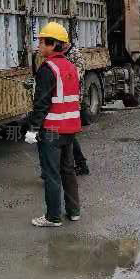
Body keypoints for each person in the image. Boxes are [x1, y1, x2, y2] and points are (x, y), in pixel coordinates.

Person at [24, 22, 82, 227]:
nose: (39, 46)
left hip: (52, 131)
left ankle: (53, 217)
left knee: (51, 173)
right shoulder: (71, 66)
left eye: (42, 42)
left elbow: (42, 103)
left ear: (53, 44)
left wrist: (33, 129)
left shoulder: (47, 69)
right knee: (68, 171)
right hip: (70, 128)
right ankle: (74, 211)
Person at [63, 39, 90, 176]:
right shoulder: (62, 54)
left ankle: (80, 164)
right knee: (67, 134)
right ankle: (78, 164)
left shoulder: (75, 55)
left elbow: (77, 74)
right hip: (65, 99)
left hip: (72, 99)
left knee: (69, 135)